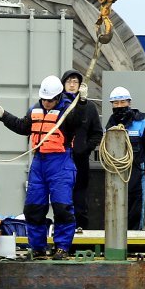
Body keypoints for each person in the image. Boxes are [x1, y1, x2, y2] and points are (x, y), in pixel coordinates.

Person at [0, 75, 82, 260]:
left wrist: (81, 100)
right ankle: (38, 248)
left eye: (50, 100)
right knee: (33, 207)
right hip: (39, 162)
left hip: (61, 163)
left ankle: (62, 247)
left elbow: (77, 122)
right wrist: (3, 115)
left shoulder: (68, 111)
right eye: (44, 99)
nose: (46, 103)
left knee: (62, 207)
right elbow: (23, 127)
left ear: (58, 98)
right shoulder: (35, 110)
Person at [105, 86, 145, 230]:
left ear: (129, 103)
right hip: (115, 172)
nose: (119, 106)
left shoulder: (143, 124)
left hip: (137, 172)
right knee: (114, 205)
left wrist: (140, 165)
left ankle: (135, 241)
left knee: (136, 207)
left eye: (122, 102)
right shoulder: (110, 126)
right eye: (115, 103)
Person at [61, 69, 103, 231]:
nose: (72, 85)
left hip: (80, 160)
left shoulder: (89, 107)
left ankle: (80, 228)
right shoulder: (59, 105)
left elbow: (97, 132)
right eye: (69, 81)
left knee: (80, 197)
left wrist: (85, 148)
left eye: (75, 82)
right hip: (60, 158)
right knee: (62, 197)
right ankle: (63, 232)